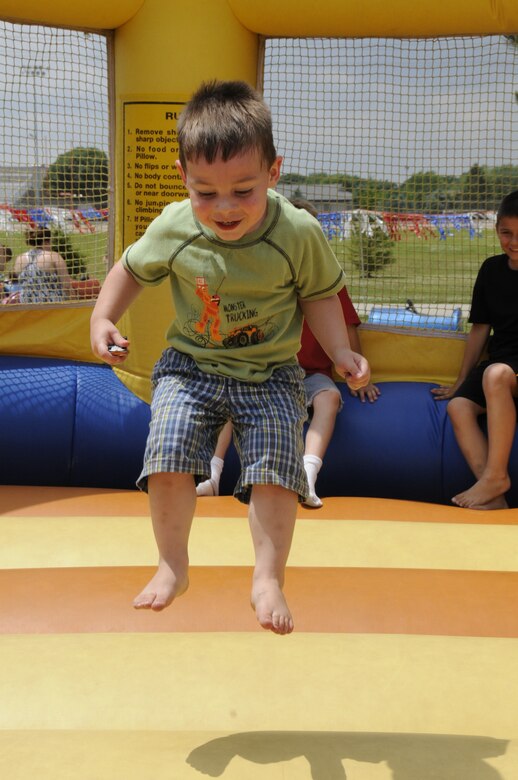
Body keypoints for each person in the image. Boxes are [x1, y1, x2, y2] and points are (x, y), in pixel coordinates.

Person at [90, 80, 370, 635]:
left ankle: (268, 577)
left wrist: (340, 350)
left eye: (243, 190)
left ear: (273, 172)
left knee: (274, 475)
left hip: (269, 374)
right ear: (182, 177)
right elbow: (129, 269)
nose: (224, 208)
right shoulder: (174, 225)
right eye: (205, 192)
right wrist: (103, 317)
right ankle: (173, 565)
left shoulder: (297, 232)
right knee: (166, 456)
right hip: (190, 368)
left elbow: (319, 295)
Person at [196, 197, 380, 507]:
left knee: (329, 399)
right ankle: (213, 474)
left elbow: (347, 331)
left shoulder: (328, 283)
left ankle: (307, 476)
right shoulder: (265, 280)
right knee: (228, 398)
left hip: (310, 376)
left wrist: (356, 374)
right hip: (265, 372)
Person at [431, 189, 518, 510]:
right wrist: (460, 380)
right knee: (459, 407)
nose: (513, 242)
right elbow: (480, 328)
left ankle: (497, 475)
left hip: (504, 372)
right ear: (496, 230)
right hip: (504, 363)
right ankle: (494, 495)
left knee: (495, 375)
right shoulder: (491, 270)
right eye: (506, 233)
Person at [12, 228, 76, 303]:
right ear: (46, 242)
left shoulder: (19, 259)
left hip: (27, 306)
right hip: (52, 305)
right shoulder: (54, 256)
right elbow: (66, 286)